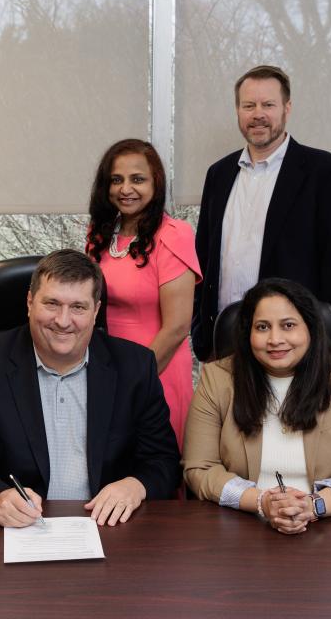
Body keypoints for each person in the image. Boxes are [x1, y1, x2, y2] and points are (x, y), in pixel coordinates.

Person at [0, 249, 181, 528]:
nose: (63, 321)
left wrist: (136, 485)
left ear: (96, 310)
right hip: (17, 529)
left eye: (78, 307)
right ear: (29, 302)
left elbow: (163, 459)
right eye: (52, 304)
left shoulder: (135, 367)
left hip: (108, 528)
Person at [182, 278, 331, 534]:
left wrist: (314, 506)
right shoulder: (217, 379)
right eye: (262, 327)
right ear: (248, 333)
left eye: (288, 325)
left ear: (310, 329)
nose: (275, 339)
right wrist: (262, 502)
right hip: (241, 526)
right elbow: (200, 468)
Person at [191, 65, 331, 362]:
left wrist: (324, 344)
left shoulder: (328, 173)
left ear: (287, 108)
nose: (258, 114)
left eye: (268, 104)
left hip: (292, 349)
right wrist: (201, 333)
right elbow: (203, 258)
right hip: (225, 344)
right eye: (249, 105)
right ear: (238, 111)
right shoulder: (218, 174)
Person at [87, 139, 201, 450]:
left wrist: (135, 382)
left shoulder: (174, 235)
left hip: (155, 372)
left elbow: (177, 326)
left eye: (138, 179)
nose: (126, 189)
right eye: (116, 179)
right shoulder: (99, 235)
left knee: (154, 474)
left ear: (156, 183)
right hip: (107, 370)